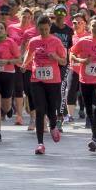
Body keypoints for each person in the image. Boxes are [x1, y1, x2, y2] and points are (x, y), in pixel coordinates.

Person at [22, 15, 67, 155]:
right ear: (37, 28)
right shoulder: (34, 41)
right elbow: (29, 54)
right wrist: (25, 64)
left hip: (53, 80)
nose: (44, 32)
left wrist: (56, 58)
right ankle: (40, 144)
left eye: (46, 29)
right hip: (37, 80)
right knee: (40, 110)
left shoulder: (56, 41)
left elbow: (64, 62)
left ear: (50, 27)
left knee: (51, 108)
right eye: (41, 30)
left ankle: (53, 126)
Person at [71, 17, 96, 151]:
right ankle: (93, 127)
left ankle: (94, 138)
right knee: (90, 110)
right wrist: (80, 60)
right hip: (85, 80)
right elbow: (71, 54)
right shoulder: (83, 41)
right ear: (90, 27)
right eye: (94, 26)